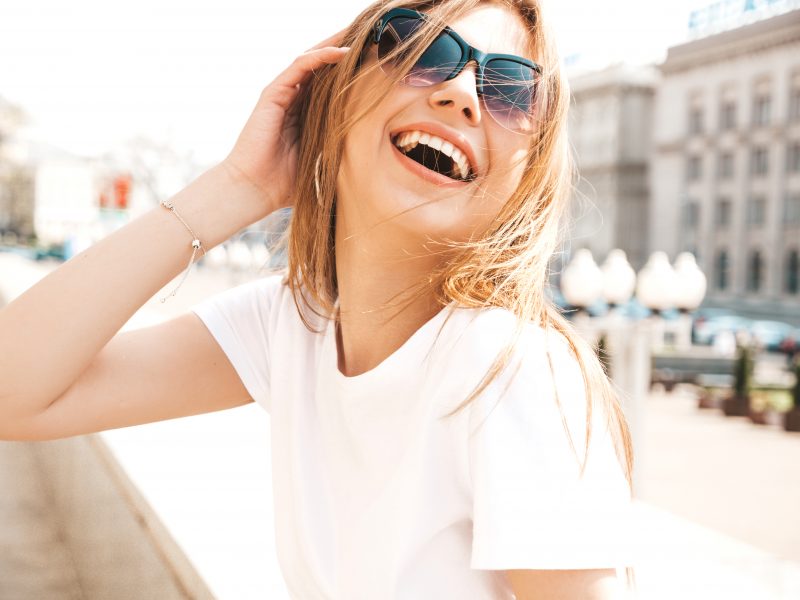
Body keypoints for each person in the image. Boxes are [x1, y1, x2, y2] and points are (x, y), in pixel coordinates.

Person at [0, 1, 638, 598]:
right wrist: (237, 187)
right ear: (337, 91)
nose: (463, 95)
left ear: (529, 174)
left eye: (512, 89)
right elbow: (13, 392)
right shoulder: (291, 325)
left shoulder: (511, 371)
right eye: (423, 50)